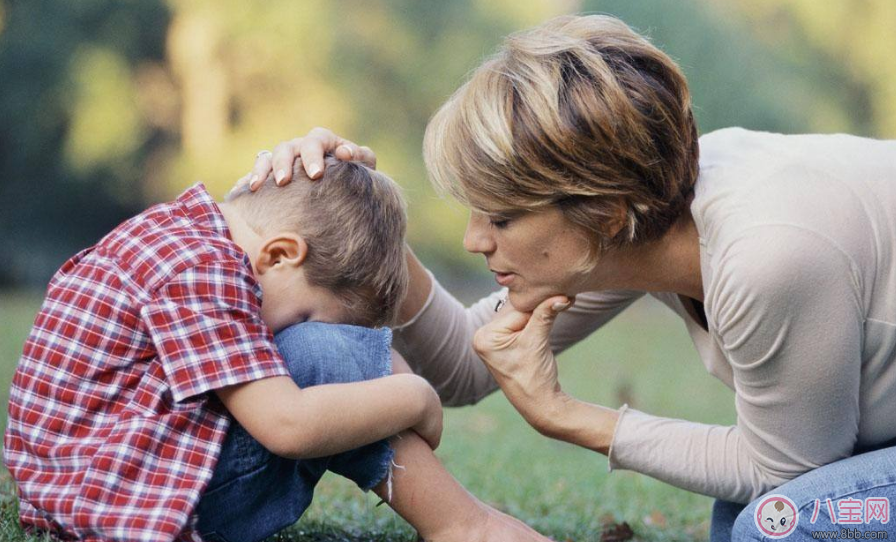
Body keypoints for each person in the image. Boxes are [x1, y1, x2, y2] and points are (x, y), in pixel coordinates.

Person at [243, 14, 896, 541]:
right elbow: (466, 364)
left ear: (603, 213)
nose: (474, 241)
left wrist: (566, 416)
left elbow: (781, 469)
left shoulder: (767, 254)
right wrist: (354, 216)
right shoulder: (639, 215)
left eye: (501, 217)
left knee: (777, 526)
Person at [3, 158, 553, 542]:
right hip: (138, 503)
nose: (287, 330)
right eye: (302, 312)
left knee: (324, 352)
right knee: (319, 351)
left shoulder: (180, 234)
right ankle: (460, 525)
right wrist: (417, 397)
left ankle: (464, 518)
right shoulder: (203, 271)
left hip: (97, 485)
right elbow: (288, 426)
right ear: (281, 254)